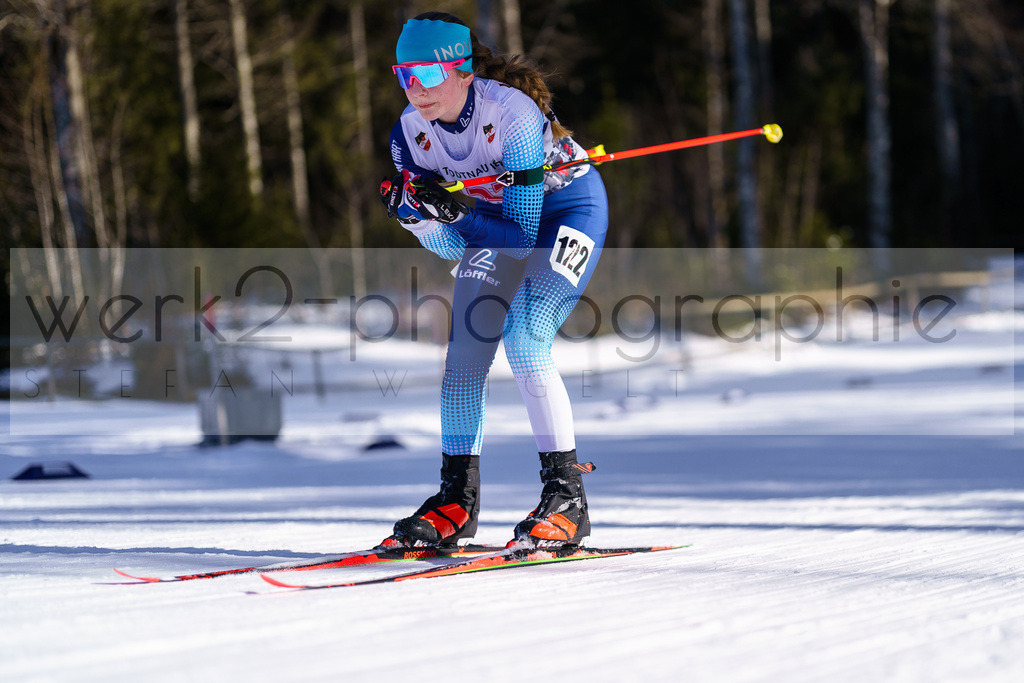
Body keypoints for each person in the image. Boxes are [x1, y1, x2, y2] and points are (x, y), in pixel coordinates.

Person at [378, 12, 609, 551]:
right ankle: (456, 498)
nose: (416, 89)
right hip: (490, 225)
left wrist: (453, 213)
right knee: (464, 356)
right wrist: (420, 220)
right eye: (403, 75)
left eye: (428, 75)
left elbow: (521, 236)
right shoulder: (408, 134)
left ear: (462, 71)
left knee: (525, 338)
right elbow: (457, 251)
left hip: (565, 211)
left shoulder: (515, 115)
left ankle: (567, 496)